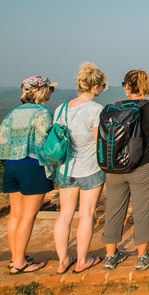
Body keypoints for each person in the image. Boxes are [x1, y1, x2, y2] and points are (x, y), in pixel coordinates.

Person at [101, 70, 149, 271]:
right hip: (142, 166)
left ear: (126, 87)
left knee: (113, 210)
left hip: (113, 167)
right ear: (146, 86)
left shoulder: (111, 108)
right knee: (142, 210)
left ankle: (111, 256)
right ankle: (142, 256)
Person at [0, 75, 57, 274]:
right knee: (28, 217)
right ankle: (20, 262)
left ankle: (15, 257)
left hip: (12, 164)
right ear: (41, 91)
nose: (51, 92)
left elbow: (1, 139)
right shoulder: (42, 113)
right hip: (31, 164)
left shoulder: (12, 113)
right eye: (50, 89)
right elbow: (44, 144)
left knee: (15, 215)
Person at [53, 63, 107, 274]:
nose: (102, 89)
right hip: (90, 168)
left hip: (66, 167)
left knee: (65, 215)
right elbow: (99, 143)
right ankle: (82, 260)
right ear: (94, 87)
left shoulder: (62, 108)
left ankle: (62, 260)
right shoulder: (96, 110)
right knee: (86, 213)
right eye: (102, 85)